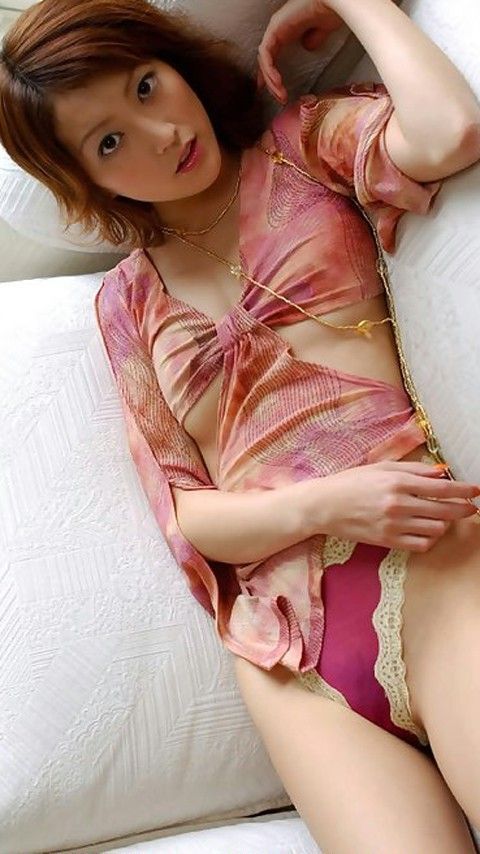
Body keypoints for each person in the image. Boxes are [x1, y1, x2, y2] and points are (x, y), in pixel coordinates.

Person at [1, 0, 480, 848]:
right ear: (86, 179)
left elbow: (449, 132)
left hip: (427, 558)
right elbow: (186, 513)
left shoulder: (302, 148)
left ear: (174, 61)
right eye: (108, 142)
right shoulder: (126, 305)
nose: (159, 135)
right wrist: (322, 506)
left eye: (146, 86)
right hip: (290, 658)